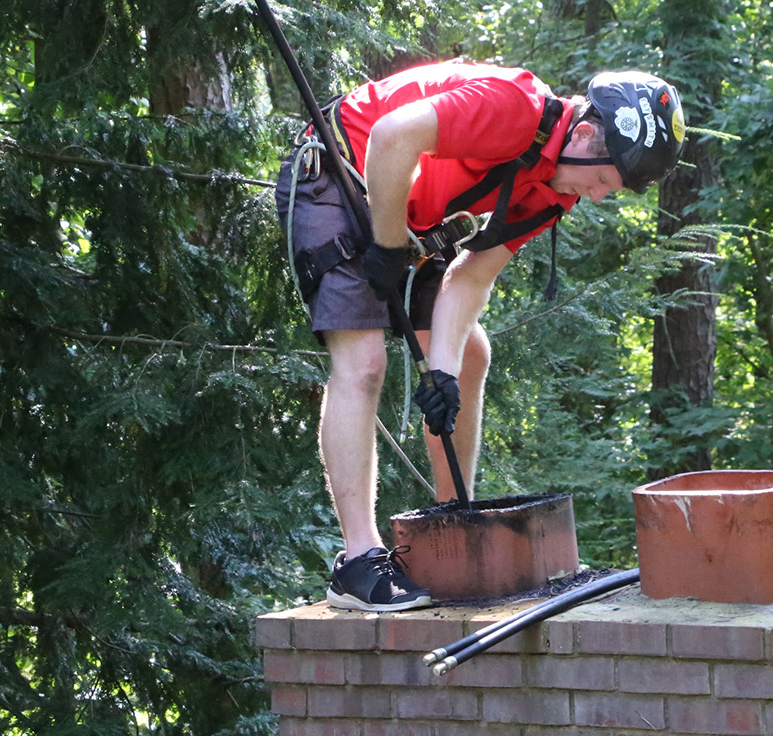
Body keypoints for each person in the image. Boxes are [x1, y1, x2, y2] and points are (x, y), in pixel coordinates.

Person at [275, 60, 685, 612]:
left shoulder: (553, 190)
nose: (597, 195)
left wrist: (440, 370)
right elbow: (393, 137)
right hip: (339, 168)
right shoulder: (513, 107)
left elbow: (470, 274)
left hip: (407, 212)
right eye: (606, 179)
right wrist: (389, 249)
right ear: (586, 134)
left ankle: (450, 527)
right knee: (365, 361)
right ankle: (357, 561)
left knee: (468, 352)